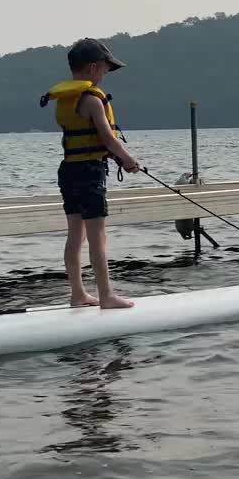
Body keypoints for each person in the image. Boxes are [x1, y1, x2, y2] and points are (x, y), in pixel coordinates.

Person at [40, 38, 140, 309]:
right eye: (106, 69)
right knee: (98, 236)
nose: (106, 74)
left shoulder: (64, 100)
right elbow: (108, 139)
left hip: (69, 170)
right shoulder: (93, 101)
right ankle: (106, 296)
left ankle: (78, 293)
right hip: (90, 172)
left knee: (75, 235)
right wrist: (129, 160)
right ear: (94, 68)